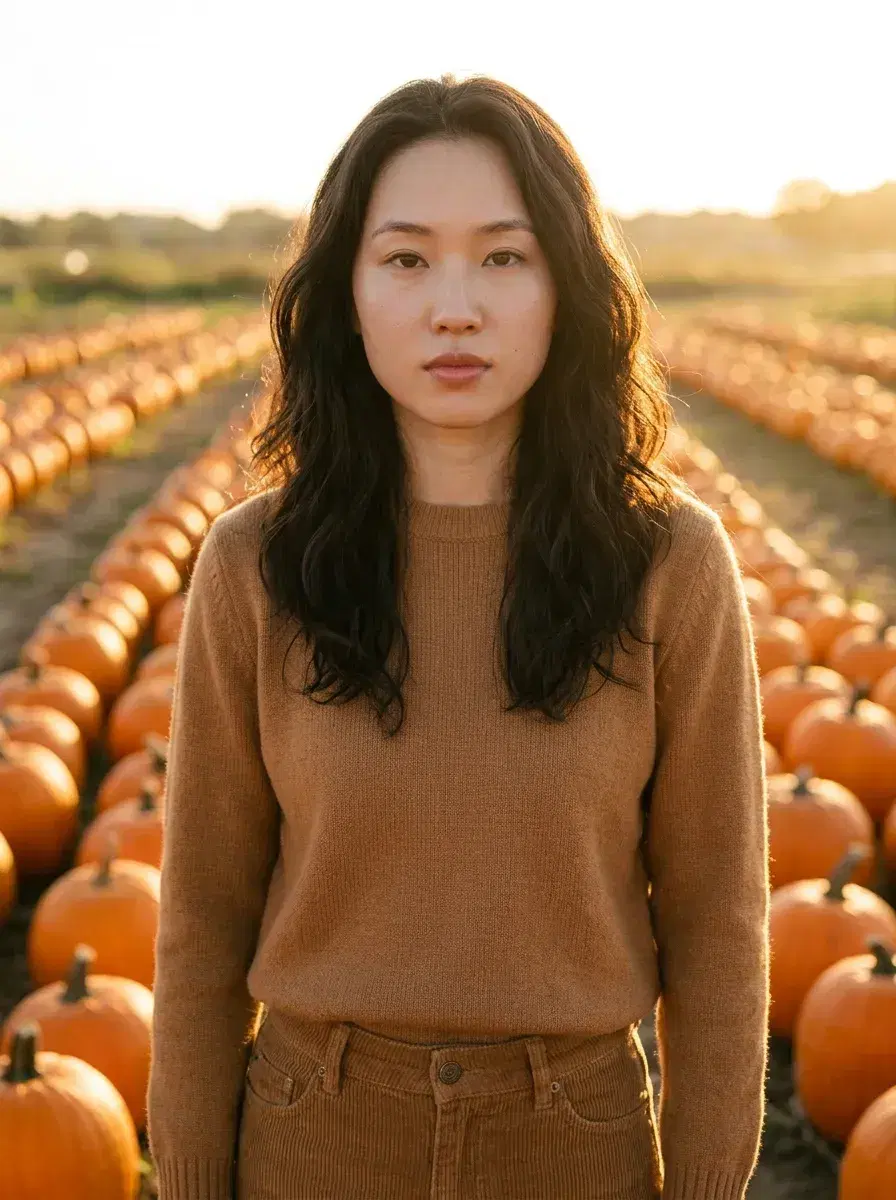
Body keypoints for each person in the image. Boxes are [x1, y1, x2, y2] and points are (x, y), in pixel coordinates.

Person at [147, 73, 770, 1200]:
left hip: (574, 1142)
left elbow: (716, 924)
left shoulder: (670, 563)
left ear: (565, 284)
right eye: (404, 258)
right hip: (311, 1136)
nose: (454, 306)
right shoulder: (253, 566)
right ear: (344, 292)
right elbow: (202, 919)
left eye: (501, 255)